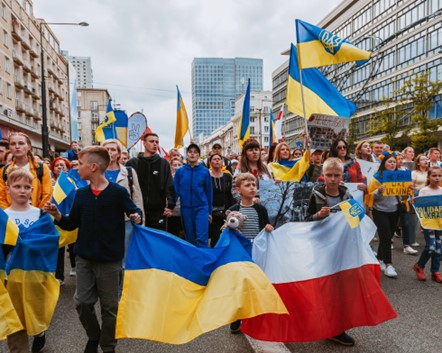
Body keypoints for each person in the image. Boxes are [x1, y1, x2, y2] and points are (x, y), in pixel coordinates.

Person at [44, 146, 142, 353]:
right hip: (85, 259)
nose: (76, 167)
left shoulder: (117, 192)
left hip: (110, 261)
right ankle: (93, 335)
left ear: (94, 167)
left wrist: (136, 216)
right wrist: (57, 215)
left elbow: (134, 210)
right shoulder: (81, 195)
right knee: (82, 302)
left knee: (109, 308)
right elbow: (71, 224)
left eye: (80, 164)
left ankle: (107, 345)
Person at [4, 168, 57, 353]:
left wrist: (25, 243)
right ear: (7, 189)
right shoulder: (3, 217)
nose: (22, 190)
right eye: (17, 186)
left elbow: (51, 241)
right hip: (9, 276)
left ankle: (39, 332)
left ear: (32, 190)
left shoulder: (40, 216)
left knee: (35, 312)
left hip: (35, 274)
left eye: (27, 187)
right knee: (15, 319)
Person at [304, 157, 355, 346]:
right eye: (329, 175)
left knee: (340, 289)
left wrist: (354, 215)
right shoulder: (315, 196)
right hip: (322, 249)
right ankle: (331, 327)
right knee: (327, 288)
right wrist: (319, 215)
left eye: (336, 175)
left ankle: (336, 327)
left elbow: (356, 222)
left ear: (342, 176)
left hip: (342, 249)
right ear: (323, 176)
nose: (333, 179)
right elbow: (306, 220)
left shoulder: (348, 196)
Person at [228, 172, 273, 334]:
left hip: (257, 251)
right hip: (240, 252)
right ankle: (236, 316)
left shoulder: (260, 209)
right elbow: (227, 229)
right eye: (248, 185)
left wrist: (268, 228)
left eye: (254, 185)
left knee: (255, 282)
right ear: (239, 190)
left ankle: (256, 314)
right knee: (240, 284)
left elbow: (266, 226)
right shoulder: (233, 209)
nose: (252, 188)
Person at [102, 139, 144, 265]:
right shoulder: (96, 172)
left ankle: (123, 284)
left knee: (125, 258)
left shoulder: (129, 172)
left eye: (113, 149)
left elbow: (137, 198)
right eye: (107, 149)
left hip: (125, 221)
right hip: (103, 222)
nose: (110, 152)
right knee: (106, 257)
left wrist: (140, 220)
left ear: (119, 153)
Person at [126, 132, 175, 230]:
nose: (155, 144)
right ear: (144, 143)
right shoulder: (132, 163)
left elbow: (169, 186)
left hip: (158, 212)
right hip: (137, 211)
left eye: (157, 142)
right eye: (152, 141)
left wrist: (170, 206)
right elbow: (126, 187)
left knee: (158, 241)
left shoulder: (163, 163)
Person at [367, 152, 401, 278]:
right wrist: (378, 191)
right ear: (383, 164)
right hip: (380, 211)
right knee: (386, 237)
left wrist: (409, 189)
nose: (392, 164)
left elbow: (403, 195)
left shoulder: (399, 176)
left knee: (387, 236)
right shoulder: (376, 178)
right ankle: (389, 265)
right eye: (389, 162)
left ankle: (380, 258)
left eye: (394, 162)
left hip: (395, 210)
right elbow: (369, 196)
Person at [0, 132, 52, 210]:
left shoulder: (42, 168)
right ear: (10, 148)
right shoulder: (4, 171)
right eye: (13, 144)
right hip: (11, 218)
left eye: (21, 143)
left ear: (29, 147)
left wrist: (38, 214)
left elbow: (47, 194)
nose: (17, 146)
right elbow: (1, 197)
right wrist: (9, 216)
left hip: (37, 216)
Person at [174, 143, 212, 247]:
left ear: (198, 156)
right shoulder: (180, 171)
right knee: (190, 239)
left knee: (201, 238)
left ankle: (204, 261)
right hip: (186, 208)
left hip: (201, 207)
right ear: (186, 154)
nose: (192, 154)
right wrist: (170, 207)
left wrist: (209, 212)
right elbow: (175, 191)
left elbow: (209, 192)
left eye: (195, 152)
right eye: (190, 152)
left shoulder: (205, 171)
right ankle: (193, 262)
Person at [412, 166, 442, 283]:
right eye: (434, 175)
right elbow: (420, 207)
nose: (437, 178)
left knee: (439, 248)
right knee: (431, 246)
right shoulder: (424, 191)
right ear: (428, 177)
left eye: (439, 175)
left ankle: (435, 271)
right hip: (428, 224)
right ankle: (419, 266)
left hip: (439, 224)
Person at [49, 157, 71, 285]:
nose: (59, 167)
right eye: (56, 165)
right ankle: (57, 275)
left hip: (66, 216)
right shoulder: (48, 181)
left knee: (68, 245)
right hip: (51, 217)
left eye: (62, 165)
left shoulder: (70, 182)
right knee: (57, 247)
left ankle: (72, 269)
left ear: (67, 168)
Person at [208, 153, 235, 247]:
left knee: (226, 235)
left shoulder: (227, 176)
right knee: (215, 237)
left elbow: (231, 194)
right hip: (212, 213)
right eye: (214, 159)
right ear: (210, 162)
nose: (217, 160)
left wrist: (232, 209)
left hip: (225, 211)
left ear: (222, 162)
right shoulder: (206, 176)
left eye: (219, 159)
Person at [168, 157, 184, 238]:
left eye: (179, 165)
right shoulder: (168, 178)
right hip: (172, 213)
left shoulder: (185, 178)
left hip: (183, 212)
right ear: (171, 166)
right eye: (175, 165)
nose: (177, 167)